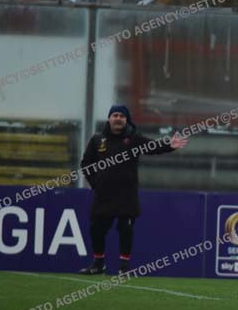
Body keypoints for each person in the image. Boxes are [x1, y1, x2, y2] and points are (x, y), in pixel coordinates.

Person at [78, 105, 188, 275]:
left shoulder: (133, 139)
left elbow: (153, 147)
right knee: (97, 229)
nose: (118, 118)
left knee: (126, 230)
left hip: (126, 195)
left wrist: (170, 145)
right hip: (103, 195)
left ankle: (124, 267)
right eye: (115, 115)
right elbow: (86, 163)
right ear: (109, 119)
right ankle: (98, 264)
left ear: (126, 120)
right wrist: (95, 183)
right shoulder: (97, 140)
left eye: (122, 116)